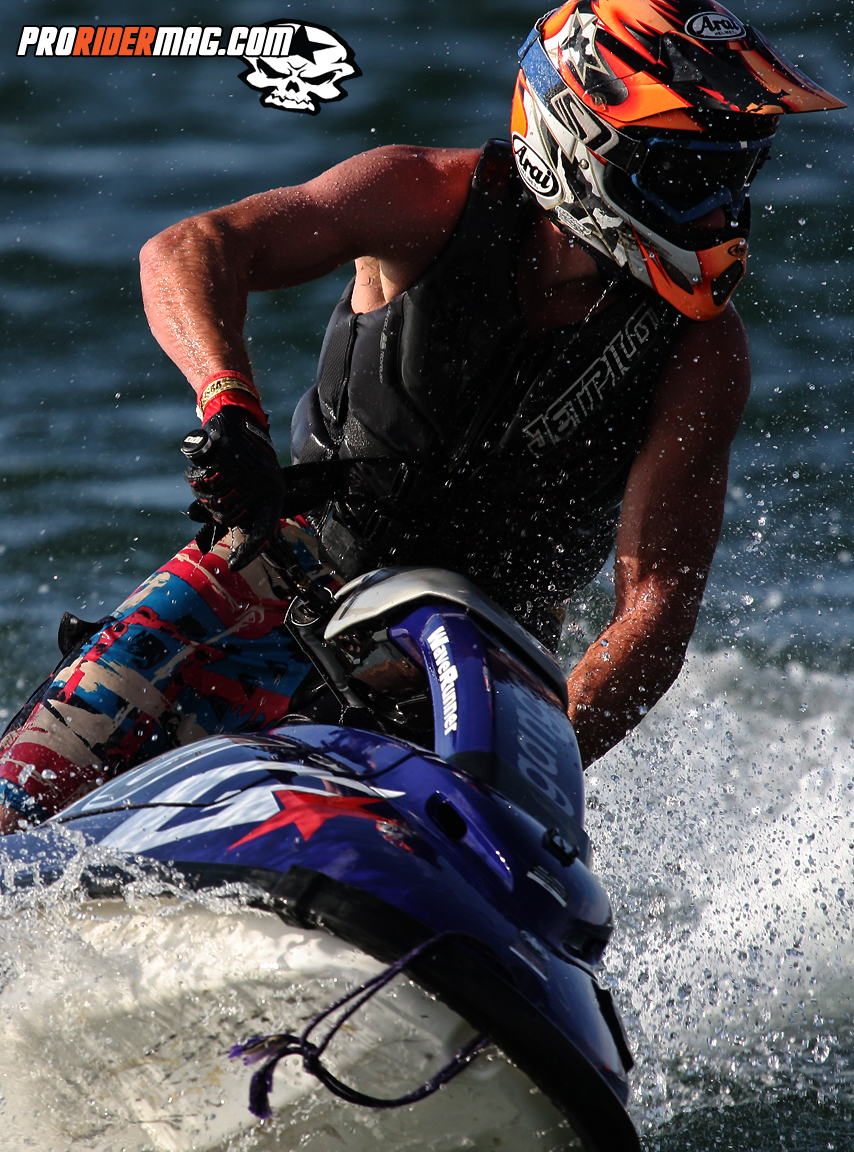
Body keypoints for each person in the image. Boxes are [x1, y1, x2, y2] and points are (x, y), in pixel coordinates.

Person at [0, 1, 842, 831]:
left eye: (735, 177)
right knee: (18, 805)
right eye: (692, 179)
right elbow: (191, 248)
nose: (720, 212)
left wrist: (524, 778)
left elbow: (652, 616)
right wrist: (230, 407)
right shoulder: (423, 197)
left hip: (473, 668)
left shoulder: (702, 352)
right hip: (281, 574)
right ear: (582, 141)